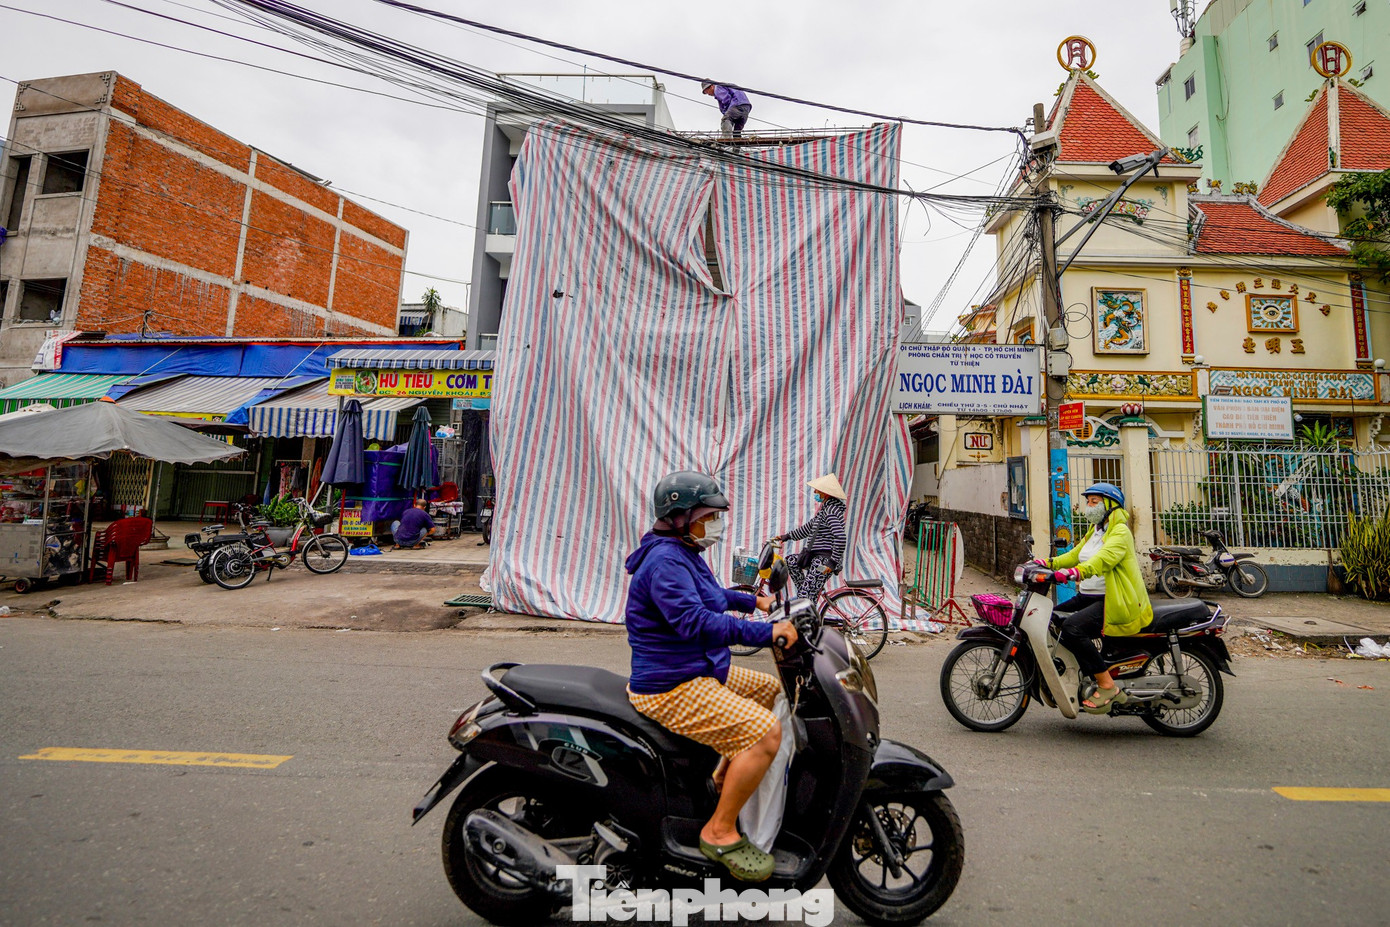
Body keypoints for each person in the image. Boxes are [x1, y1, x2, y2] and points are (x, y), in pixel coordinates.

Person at [625, 470, 798, 883]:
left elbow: (712, 596)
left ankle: (726, 772)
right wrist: (766, 631)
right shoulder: (666, 561)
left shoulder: (681, 553)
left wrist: (752, 600)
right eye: (708, 515)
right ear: (680, 516)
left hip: (699, 668)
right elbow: (696, 621)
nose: (715, 524)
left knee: (773, 691)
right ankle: (718, 830)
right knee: (765, 733)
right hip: (673, 684)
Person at [1040, 482, 1153, 713]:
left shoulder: (1120, 531)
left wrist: (1076, 572)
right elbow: (1075, 555)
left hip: (1112, 600)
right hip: (1089, 596)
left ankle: (1106, 684)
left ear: (1111, 505)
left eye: (1095, 502)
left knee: (1072, 627)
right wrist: (1047, 564)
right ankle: (1080, 672)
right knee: (1052, 619)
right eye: (1088, 502)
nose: (1089, 507)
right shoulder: (1096, 530)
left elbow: (1103, 560)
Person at [774, 473, 848, 605]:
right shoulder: (825, 509)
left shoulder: (831, 511)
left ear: (825, 493)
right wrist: (787, 536)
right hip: (815, 556)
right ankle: (808, 598)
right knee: (790, 561)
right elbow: (809, 528)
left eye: (817, 490)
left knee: (805, 593)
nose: (814, 492)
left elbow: (840, 537)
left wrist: (832, 563)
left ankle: (806, 599)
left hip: (824, 561)